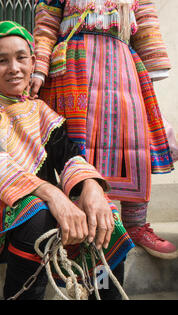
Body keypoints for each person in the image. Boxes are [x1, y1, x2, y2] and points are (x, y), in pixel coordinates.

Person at [0, 21, 134, 300]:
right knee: (37, 213)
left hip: (41, 209)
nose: (13, 68)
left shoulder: (44, 113)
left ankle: (104, 291)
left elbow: (69, 157)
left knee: (104, 216)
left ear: (33, 62)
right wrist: (54, 196)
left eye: (21, 58)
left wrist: (92, 188)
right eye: (2, 61)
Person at [30, 0, 177, 259]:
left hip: (123, 65)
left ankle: (135, 224)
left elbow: (145, 27)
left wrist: (150, 77)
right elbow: (46, 26)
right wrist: (39, 69)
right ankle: (78, 224)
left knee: (133, 144)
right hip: (73, 67)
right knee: (77, 143)